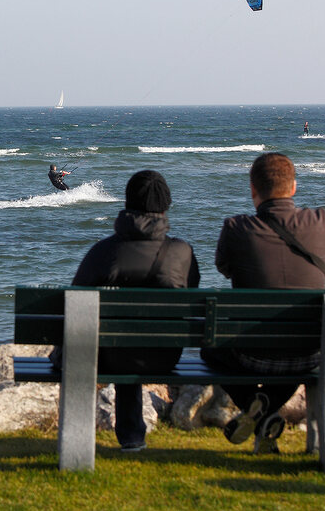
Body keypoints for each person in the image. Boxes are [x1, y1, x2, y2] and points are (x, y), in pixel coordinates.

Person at [202, 153, 325, 454]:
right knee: (294, 352)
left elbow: (224, 267)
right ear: (294, 187)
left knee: (211, 348)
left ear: (252, 189)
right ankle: (264, 415)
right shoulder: (322, 222)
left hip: (252, 354)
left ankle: (255, 408)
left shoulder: (236, 229)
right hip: (309, 353)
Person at [68, 170, 200, 451]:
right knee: (133, 342)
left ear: (127, 204)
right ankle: (131, 436)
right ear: (166, 207)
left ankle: (130, 437)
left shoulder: (104, 252)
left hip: (111, 357)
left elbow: (74, 302)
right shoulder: (182, 252)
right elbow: (193, 293)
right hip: (165, 355)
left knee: (121, 343)